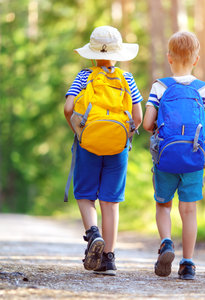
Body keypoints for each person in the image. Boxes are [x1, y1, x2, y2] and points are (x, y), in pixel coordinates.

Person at [64, 25, 143, 276]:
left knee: (85, 194)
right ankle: (108, 258)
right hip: (118, 145)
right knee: (111, 202)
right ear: (118, 53)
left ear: (92, 54)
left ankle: (93, 233)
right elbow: (138, 116)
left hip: (88, 141)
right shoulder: (126, 78)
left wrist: (78, 132)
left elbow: (68, 108)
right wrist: (125, 137)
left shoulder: (84, 75)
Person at [143, 31, 205, 280]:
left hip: (166, 157)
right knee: (189, 211)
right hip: (194, 158)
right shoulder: (204, 89)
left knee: (163, 205)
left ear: (169, 58)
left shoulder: (160, 86)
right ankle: (188, 264)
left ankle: (166, 242)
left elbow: (146, 124)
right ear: (196, 60)